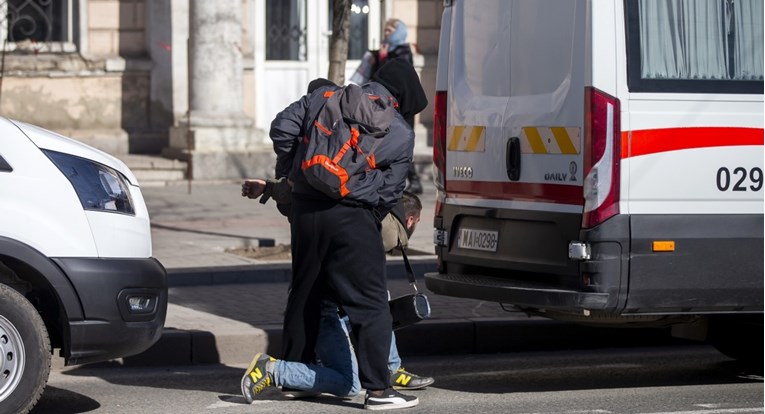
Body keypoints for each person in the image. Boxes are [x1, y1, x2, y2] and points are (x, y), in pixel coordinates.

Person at [241, 59, 428, 411]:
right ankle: (379, 391)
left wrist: (299, 173)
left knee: (305, 290)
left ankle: (297, 372)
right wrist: (356, 191)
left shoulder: (325, 96)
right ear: (402, 97)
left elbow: (281, 128)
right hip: (352, 218)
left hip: (306, 212)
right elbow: (389, 193)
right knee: (371, 303)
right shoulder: (401, 132)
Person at [241, 183, 434, 396]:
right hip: (329, 311)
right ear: (409, 220)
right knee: (349, 385)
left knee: (379, 297)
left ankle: (390, 370)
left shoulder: (341, 199)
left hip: (323, 303)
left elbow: (295, 191)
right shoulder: (382, 230)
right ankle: (273, 370)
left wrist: (269, 188)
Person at [350, 18, 423, 195]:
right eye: (385, 30)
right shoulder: (386, 50)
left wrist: (383, 58)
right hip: (386, 105)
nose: (386, 34)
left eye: (390, 31)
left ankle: (413, 180)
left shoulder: (403, 51)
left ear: (398, 33)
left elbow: (395, 76)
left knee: (402, 140)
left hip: (401, 104)